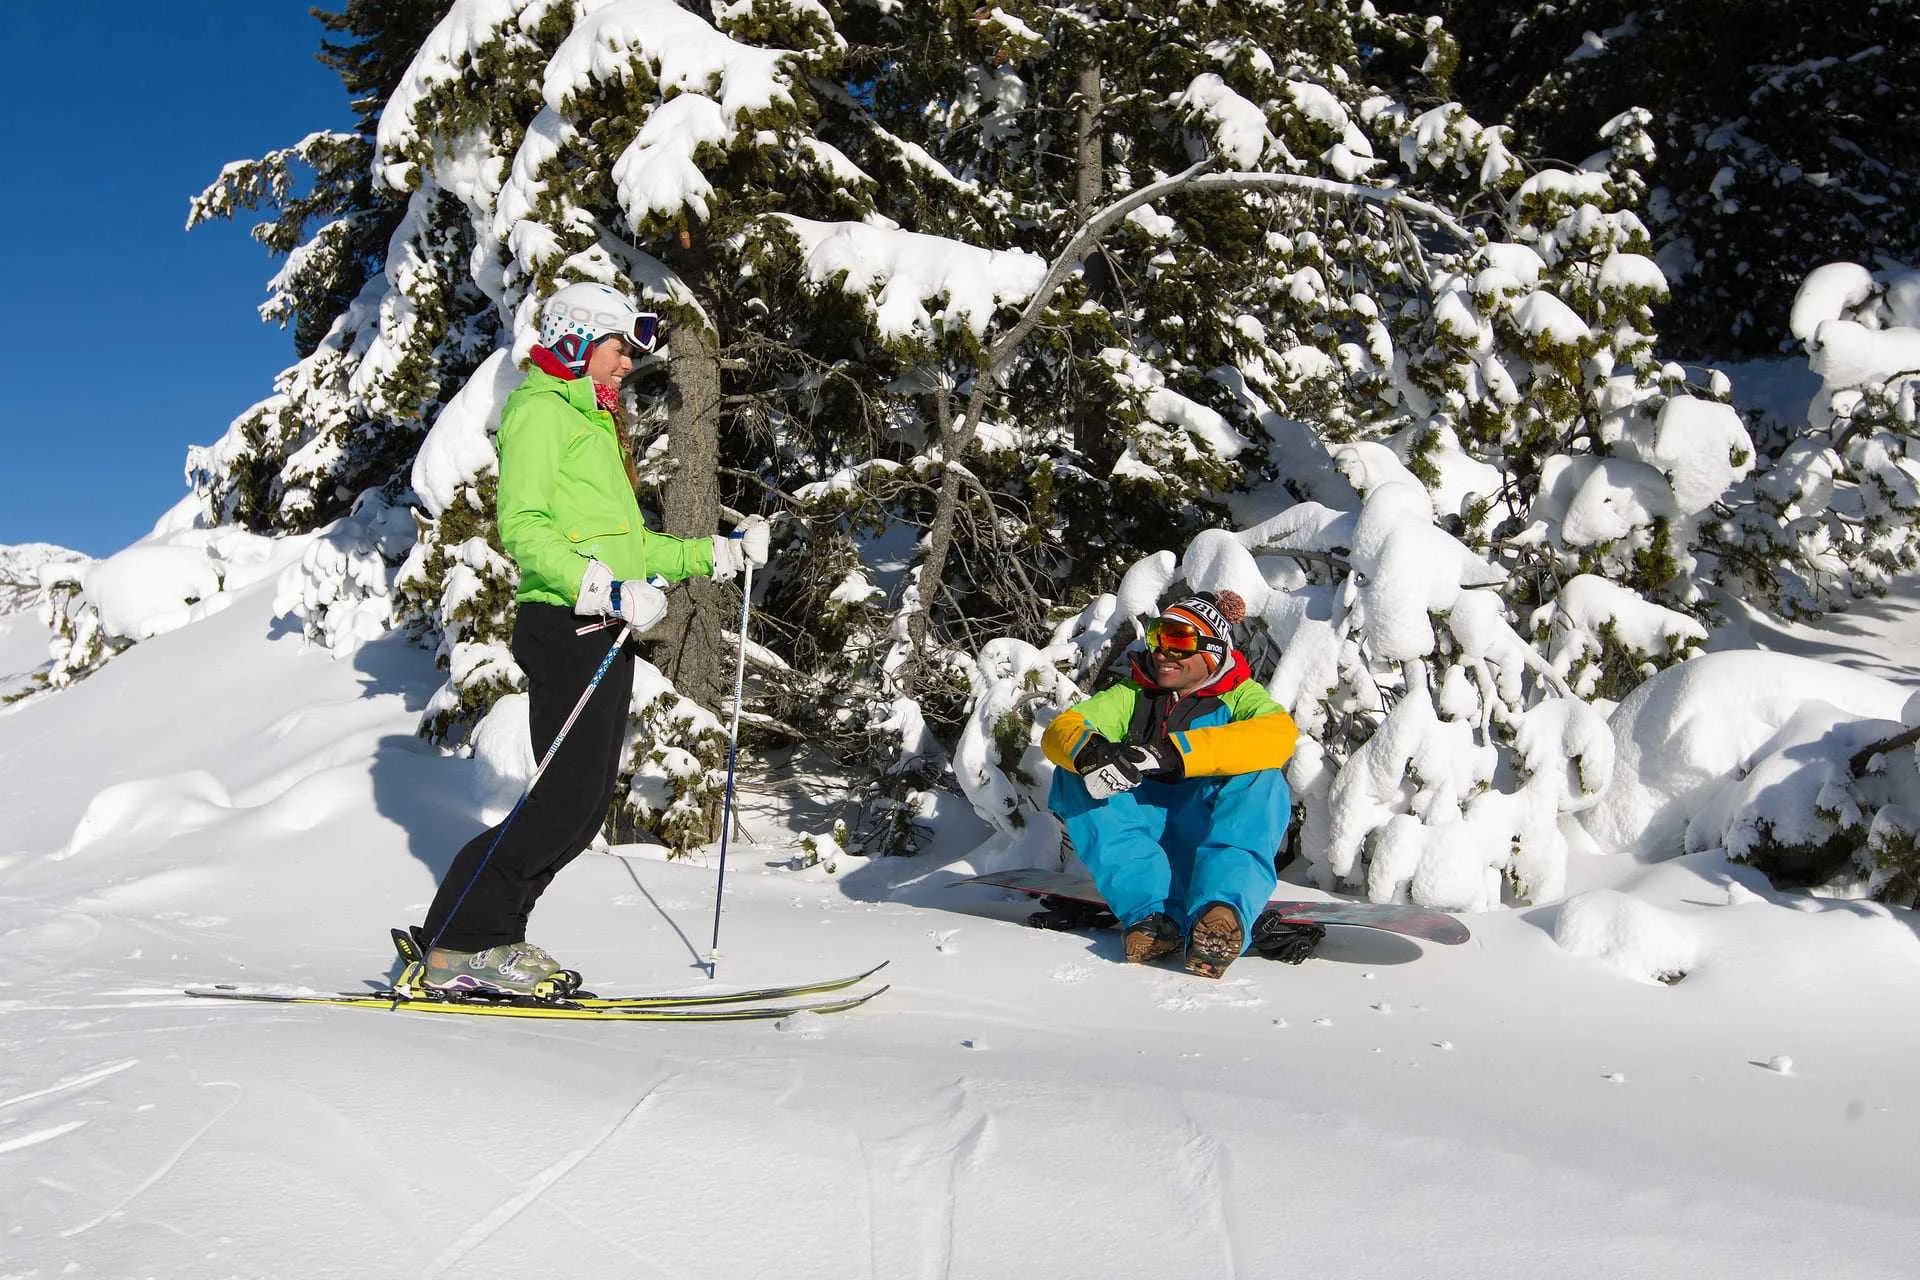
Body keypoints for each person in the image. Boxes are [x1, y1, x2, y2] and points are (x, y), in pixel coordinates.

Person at [416, 281, 769, 997]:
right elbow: (523, 527)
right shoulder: (541, 411)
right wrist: (600, 589)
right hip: (564, 622)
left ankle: (478, 937)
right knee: (563, 802)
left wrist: (718, 555)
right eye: (615, 349)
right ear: (577, 340)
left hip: (599, 626)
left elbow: (634, 546)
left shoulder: (595, 422)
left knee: (578, 808)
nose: (622, 366)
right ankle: (464, 941)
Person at [1042, 590, 1298, 978]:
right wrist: (1091, 753)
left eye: (1178, 642)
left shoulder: (1242, 697)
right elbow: (1065, 729)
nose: (1162, 652)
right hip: (1145, 835)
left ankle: (1221, 914)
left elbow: (1278, 735)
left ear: (1212, 649)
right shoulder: (1132, 695)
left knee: (1262, 778)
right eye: (1158, 638)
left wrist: (1173, 754)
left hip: (1204, 832)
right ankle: (1153, 918)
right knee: (1074, 774)